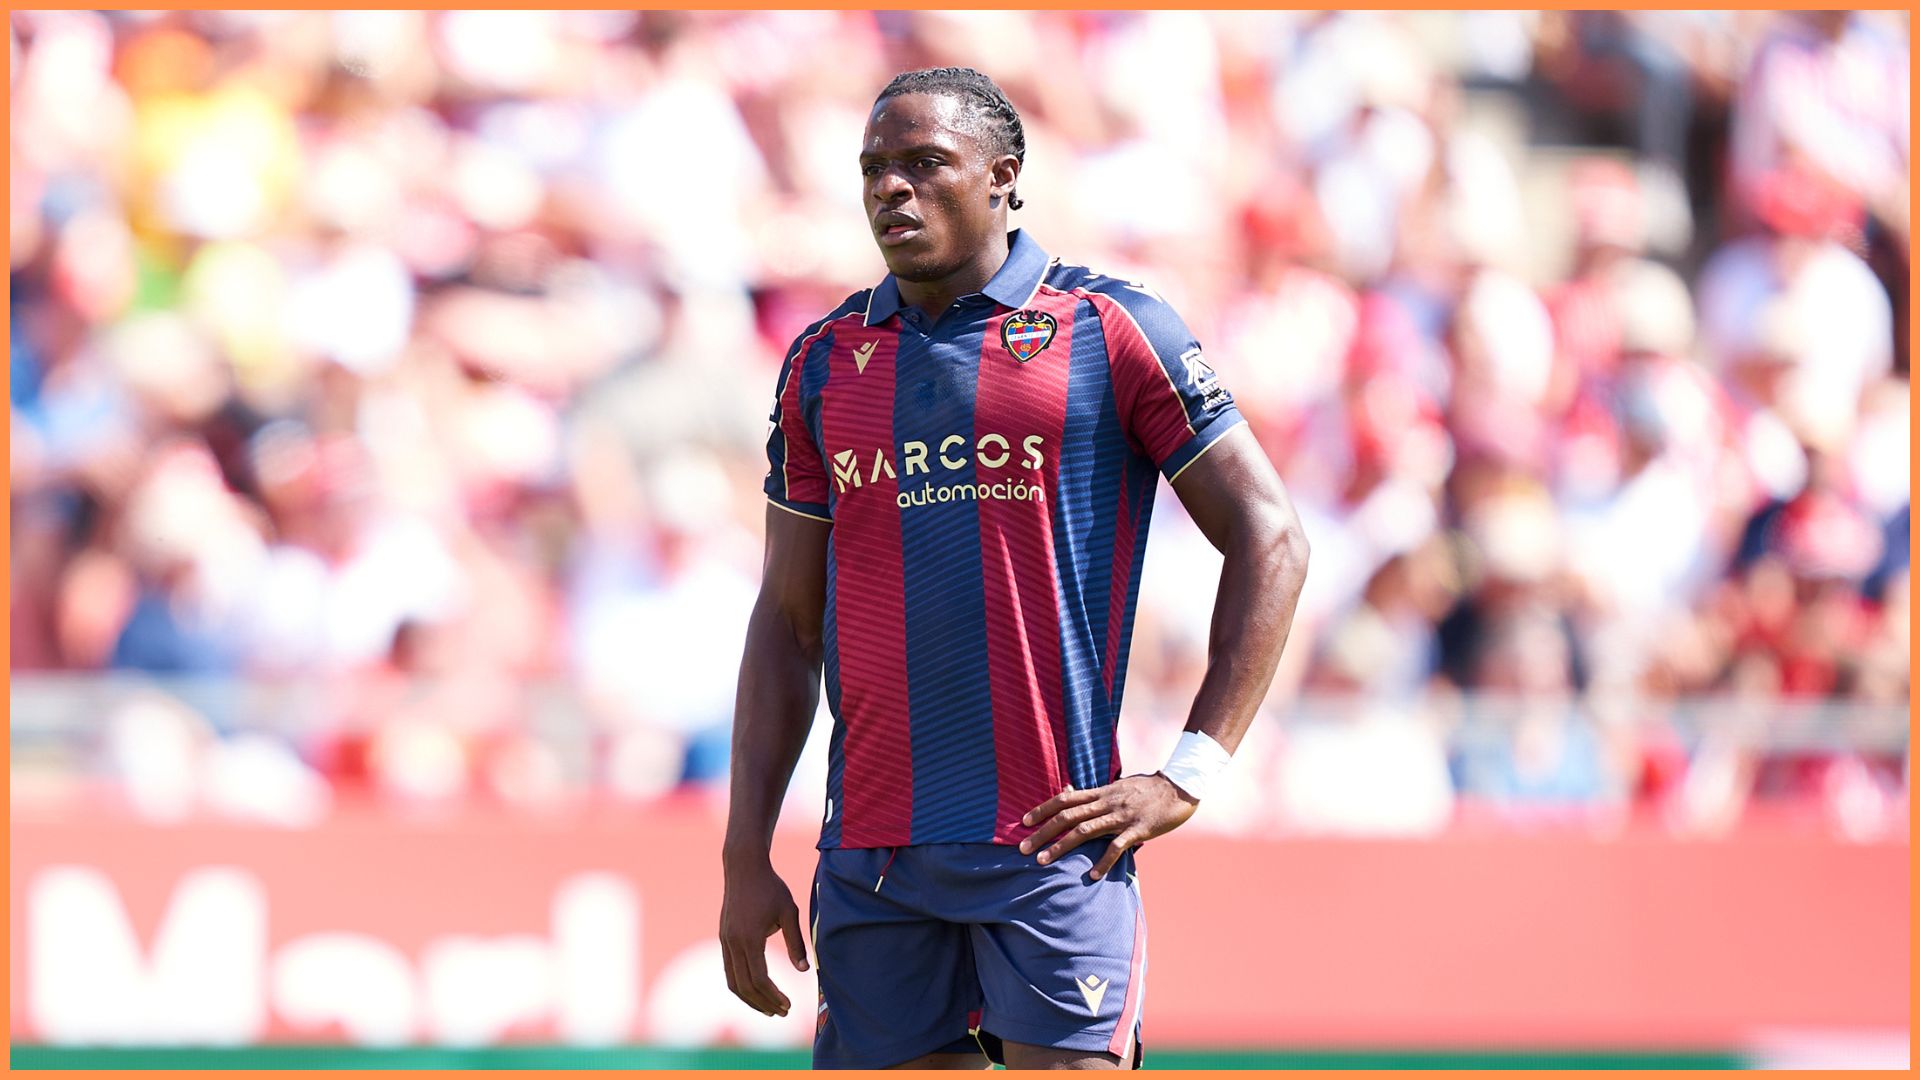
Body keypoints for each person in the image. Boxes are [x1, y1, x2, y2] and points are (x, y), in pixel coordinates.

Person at [719, 67, 1310, 1070]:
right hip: (873, 855)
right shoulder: (825, 361)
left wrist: (1189, 771)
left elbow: (1272, 537)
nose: (890, 191)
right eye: (874, 170)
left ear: (1003, 176)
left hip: (1053, 846)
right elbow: (786, 622)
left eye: (923, 165)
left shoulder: (1111, 330)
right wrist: (743, 853)